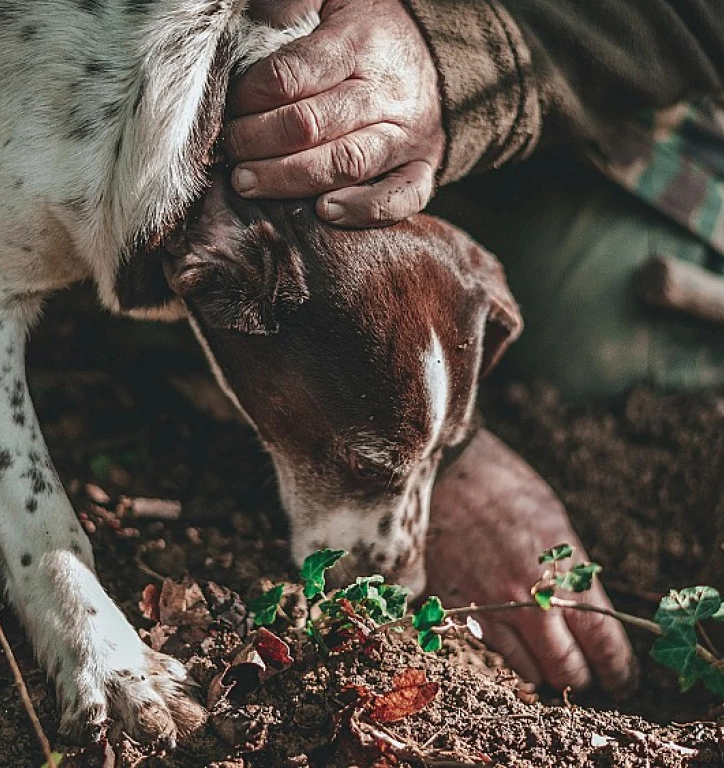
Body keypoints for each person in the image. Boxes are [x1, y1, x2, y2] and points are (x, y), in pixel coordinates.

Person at [223, 0, 724, 694]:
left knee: (603, 338)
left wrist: (455, 56)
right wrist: (409, 438)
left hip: (596, 84)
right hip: (318, 88)